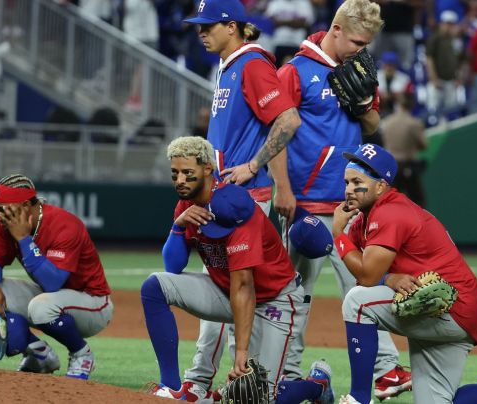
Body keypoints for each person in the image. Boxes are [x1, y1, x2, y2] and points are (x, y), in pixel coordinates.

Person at [331, 143, 477, 404]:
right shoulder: (367, 220)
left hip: (450, 307)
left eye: (357, 181)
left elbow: (366, 278)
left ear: (381, 185)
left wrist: (337, 233)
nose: (348, 190)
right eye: (346, 181)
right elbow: (364, 272)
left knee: (357, 302)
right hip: (442, 307)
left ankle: (359, 397)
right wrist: (387, 278)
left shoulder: (390, 212)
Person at [273, 1, 412, 401]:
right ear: (334, 29)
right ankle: (287, 374)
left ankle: (386, 370)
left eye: (367, 42)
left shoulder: (360, 69)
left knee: (363, 287)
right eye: (355, 41)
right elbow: (277, 132)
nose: (361, 49)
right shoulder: (295, 71)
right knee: (292, 297)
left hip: (349, 204)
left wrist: (364, 104)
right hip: (303, 205)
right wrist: (282, 188)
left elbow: (372, 125)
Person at [175, 0, 301, 399]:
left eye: (208, 25)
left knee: (236, 290)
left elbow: (288, 119)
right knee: (226, 290)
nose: (201, 32)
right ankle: (211, 382)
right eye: (199, 26)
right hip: (225, 196)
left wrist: (254, 165)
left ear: (232, 26)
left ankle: (201, 382)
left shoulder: (251, 64)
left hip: (243, 200)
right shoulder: (230, 64)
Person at [141, 136, 306, 401]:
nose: (180, 180)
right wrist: (178, 226)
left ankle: (316, 384)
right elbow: (173, 266)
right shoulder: (187, 203)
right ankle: (170, 387)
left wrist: (241, 353)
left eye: (187, 173)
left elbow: (244, 285)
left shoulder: (236, 208)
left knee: (256, 395)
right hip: (225, 292)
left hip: (274, 299)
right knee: (155, 286)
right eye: (175, 174)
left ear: (207, 168)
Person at [0, 174, 113, 380]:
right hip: (53, 297)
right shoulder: (7, 224)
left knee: (40, 307)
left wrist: (23, 239)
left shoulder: (65, 225)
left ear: (24, 205)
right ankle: (38, 352)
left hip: (93, 304)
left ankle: (81, 354)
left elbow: (52, 282)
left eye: (2, 208)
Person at [381, 89, 427, 207]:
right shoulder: (414, 123)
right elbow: (424, 145)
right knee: (418, 202)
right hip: (408, 164)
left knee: (393, 202)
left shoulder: (387, 122)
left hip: (391, 167)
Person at [425, 10, 466, 119]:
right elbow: (429, 59)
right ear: (441, 24)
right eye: (447, 23)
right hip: (437, 80)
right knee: (433, 111)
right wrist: (434, 79)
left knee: (451, 112)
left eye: (451, 24)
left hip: (452, 81)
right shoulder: (435, 38)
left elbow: (461, 61)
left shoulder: (457, 40)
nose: (449, 27)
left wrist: (459, 78)